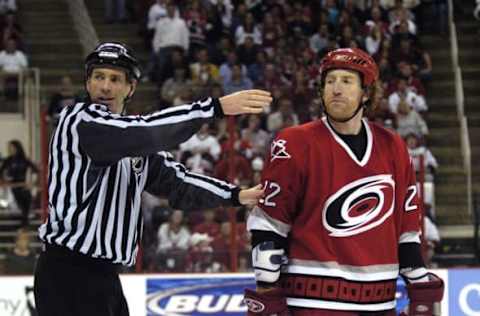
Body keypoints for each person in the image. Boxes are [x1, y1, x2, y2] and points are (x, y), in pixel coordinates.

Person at [33, 41, 272, 316]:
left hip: (105, 277)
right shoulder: (80, 121)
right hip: (67, 273)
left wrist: (236, 195)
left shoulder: (133, 141)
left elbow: (177, 183)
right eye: (98, 77)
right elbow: (144, 132)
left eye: (115, 79)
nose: (106, 87)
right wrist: (213, 108)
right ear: (87, 83)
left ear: (130, 88)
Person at [243, 48, 444, 316]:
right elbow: (269, 224)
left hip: (380, 301)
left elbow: (406, 227)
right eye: (330, 81)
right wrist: (267, 288)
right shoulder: (293, 142)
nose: (336, 88)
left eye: (347, 81)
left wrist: (419, 283)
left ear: (366, 93)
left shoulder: (393, 145)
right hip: (313, 302)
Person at [0, 139, 38, 226]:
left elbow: (36, 170)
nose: (10, 150)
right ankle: (22, 222)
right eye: (9, 148)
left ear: (17, 148)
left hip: (22, 185)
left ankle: (24, 222)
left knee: (26, 200)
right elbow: (1, 173)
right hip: (12, 186)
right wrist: (4, 182)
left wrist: (32, 182)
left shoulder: (24, 160)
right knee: (16, 202)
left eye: (12, 147)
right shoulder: (8, 160)